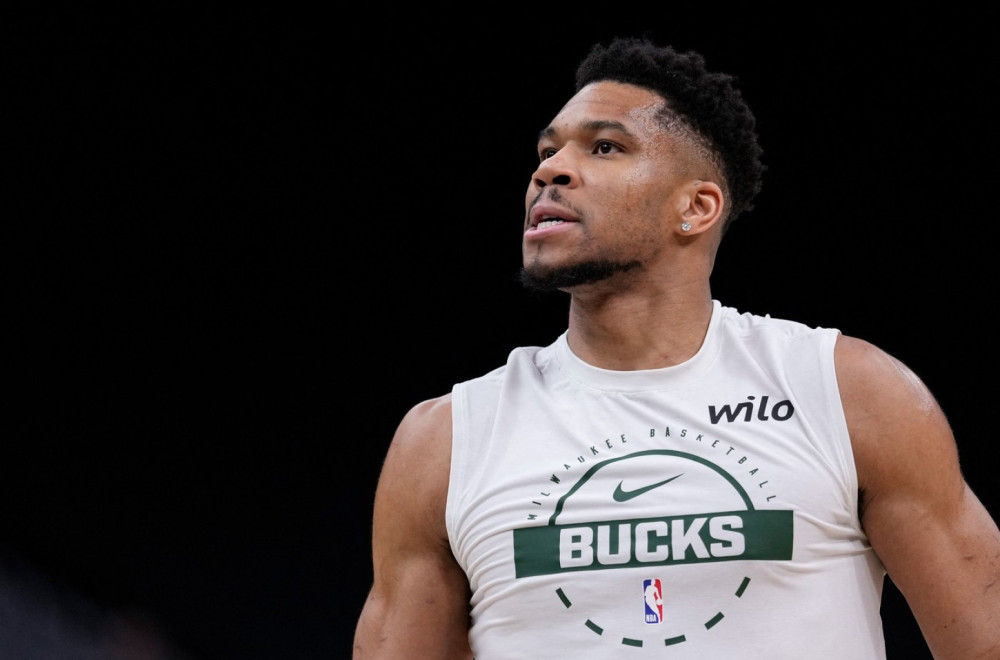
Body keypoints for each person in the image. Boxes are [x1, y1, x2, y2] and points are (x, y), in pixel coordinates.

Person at [352, 36, 1000, 659]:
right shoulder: (446, 440)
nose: (549, 170)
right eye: (547, 151)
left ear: (696, 206)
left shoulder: (847, 392)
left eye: (605, 147)